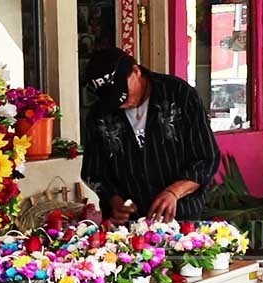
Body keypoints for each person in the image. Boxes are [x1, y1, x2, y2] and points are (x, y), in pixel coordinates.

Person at [81, 47, 221, 224]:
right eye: (111, 98)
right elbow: (94, 171)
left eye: (122, 93)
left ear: (136, 71)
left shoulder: (179, 94)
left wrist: (174, 192)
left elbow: (206, 157)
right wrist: (114, 200)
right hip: (129, 225)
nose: (120, 103)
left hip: (182, 217)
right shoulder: (99, 113)